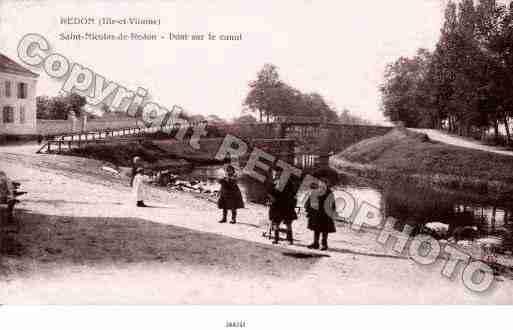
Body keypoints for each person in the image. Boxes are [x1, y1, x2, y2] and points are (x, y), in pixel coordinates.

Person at [304, 177, 336, 251]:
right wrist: (308, 209)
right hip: (316, 213)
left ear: (326, 185)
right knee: (316, 229)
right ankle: (316, 243)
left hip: (325, 214)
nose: (321, 184)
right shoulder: (315, 191)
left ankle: (324, 244)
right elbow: (309, 201)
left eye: (323, 183)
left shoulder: (329, 192)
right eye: (320, 183)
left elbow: (333, 204)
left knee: (325, 230)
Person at [268, 172, 298, 245]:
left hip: (279, 206)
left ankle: (277, 239)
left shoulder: (278, 184)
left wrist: (271, 197)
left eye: (276, 175)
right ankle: (289, 239)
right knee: (286, 223)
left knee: (277, 222)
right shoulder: (290, 184)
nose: (275, 176)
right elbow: (294, 195)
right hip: (286, 206)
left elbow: (272, 193)